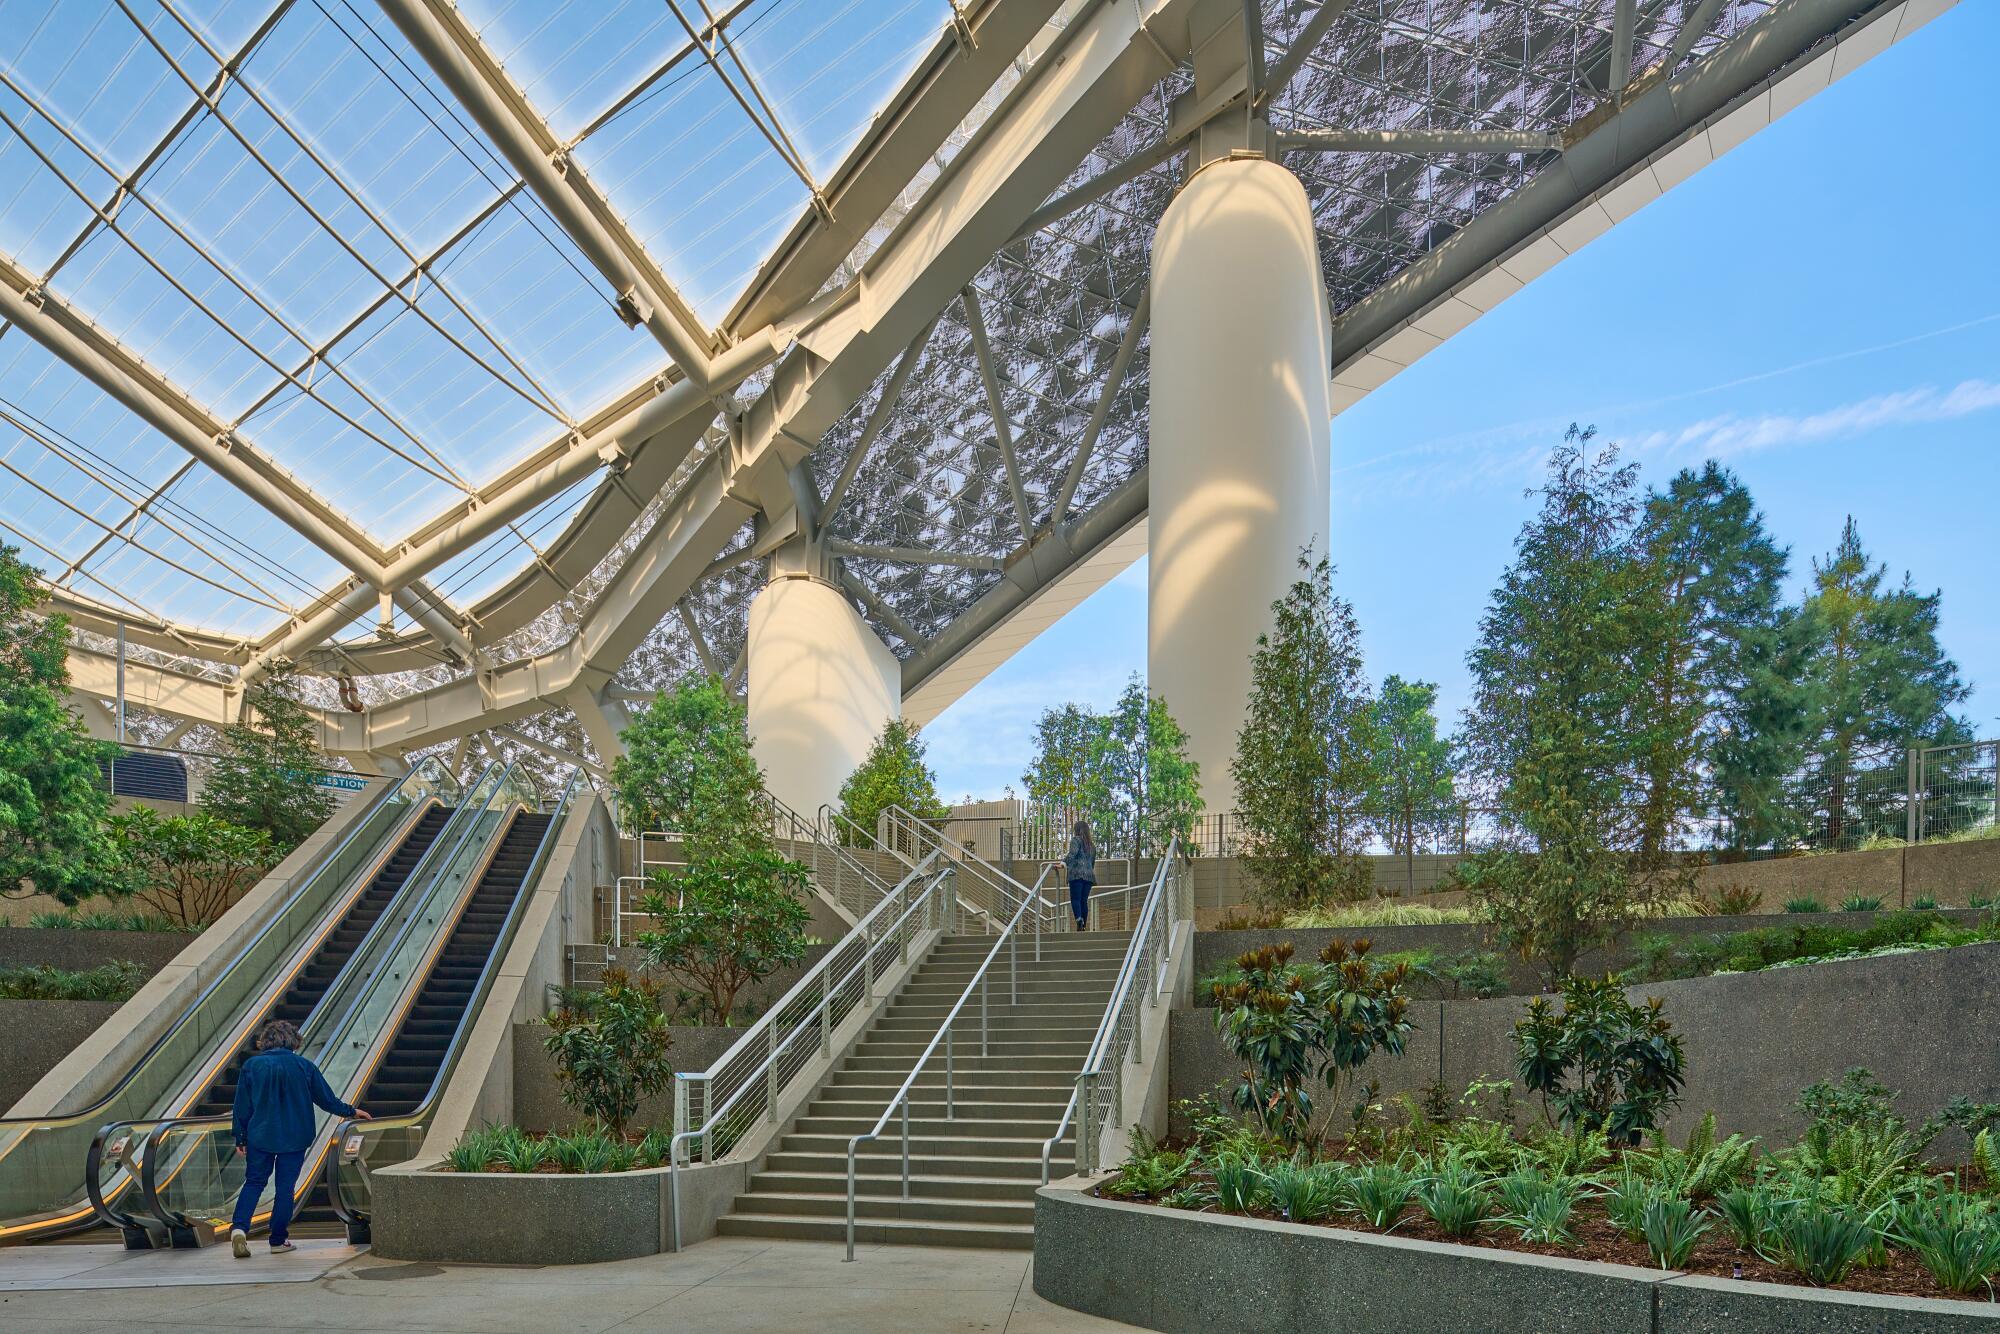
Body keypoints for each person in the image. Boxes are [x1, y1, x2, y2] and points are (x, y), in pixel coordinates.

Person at [228, 1019, 370, 1258]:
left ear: (266, 1040)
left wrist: (240, 1137)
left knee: (254, 1182)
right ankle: (277, 1240)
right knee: (285, 1188)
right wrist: (351, 1111)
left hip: (260, 1134)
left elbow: (241, 1106)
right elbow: (326, 1099)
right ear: (293, 1041)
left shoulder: (252, 1066)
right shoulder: (304, 1066)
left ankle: (239, 1229)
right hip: (294, 1136)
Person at [1063, 818, 1096, 931]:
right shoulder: (1092, 845)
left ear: (1077, 830)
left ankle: (1079, 920)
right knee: (1083, 901)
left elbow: (1072, 854)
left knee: (1075, 899)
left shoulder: (1076, 840)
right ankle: (1084, 926)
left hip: (1076, 875)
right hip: (1089, 877)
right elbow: (1092, 863)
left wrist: (1062, 863)